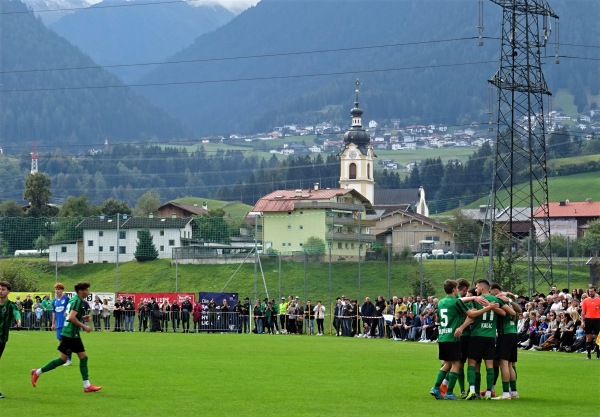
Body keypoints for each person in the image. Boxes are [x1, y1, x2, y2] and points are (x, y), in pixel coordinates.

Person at [31, 282, 102, 393]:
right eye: (86, 290)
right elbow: (71, 317)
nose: (88, 292)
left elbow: (67, 315)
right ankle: (37, 372)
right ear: (80, 291)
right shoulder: (77, 301)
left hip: (72, 333)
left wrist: (83, 318)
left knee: (81, 357)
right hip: (70, 334)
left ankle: (87, 385)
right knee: (63, 359)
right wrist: (85, 326)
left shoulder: (74, 300)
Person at [430, 280, 495, 400]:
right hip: (453, 337)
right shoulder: (455, 302)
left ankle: (436, 388)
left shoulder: (441, 302)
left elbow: (438, 318)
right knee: (456, 364)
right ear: (454, 289)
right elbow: (471, 314)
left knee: (447, 364)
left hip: (443, 336)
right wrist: (488, 307)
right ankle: (449, 393)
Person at [465, 279, 513, 401]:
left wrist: (486, 306)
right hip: (490, 336)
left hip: (476, 335)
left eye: (476, 287)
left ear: (482, 288)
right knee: (489, 365)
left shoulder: (477, 299)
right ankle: (488, 392)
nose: (475, 290)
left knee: (472, 363)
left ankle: (472, 390)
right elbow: (504, 313)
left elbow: (470, 314)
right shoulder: (496, 299)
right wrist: (491, 307)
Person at [0, 281, 22, 399]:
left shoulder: (10, 305)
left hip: (2, 339)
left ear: (8, 291)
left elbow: (16, 312)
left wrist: (18, 320)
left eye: (3, 289)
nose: (1, 291)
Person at [52, 283, 73, 366]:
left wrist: (67, 313)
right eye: (56, 289)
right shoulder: (54, 301)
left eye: (59, 289)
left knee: (66, 342)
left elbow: (71, 308)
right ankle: (63, 358)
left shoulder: (66, 299)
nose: (57, 291)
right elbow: (53, 312)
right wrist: (53, 323)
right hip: (58, 324)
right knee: (60, 342)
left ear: (62, 290)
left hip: (66, 324)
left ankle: (69, 360)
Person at [581, 286, 600, 360]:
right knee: (588, 338)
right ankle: (588, 354)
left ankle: (598, 354)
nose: (590, 293)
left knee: (597, 337)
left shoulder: (599, 300)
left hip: (597, 320)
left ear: (595, 291)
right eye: (589, 291)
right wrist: (582, 321)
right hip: (588, 320)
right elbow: (583, 312)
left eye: (592, 291)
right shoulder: (585, 301)